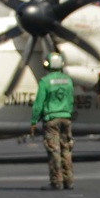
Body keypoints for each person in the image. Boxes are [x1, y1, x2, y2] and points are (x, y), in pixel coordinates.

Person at [31, 51, 74, 190]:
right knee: (66, 149)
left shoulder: (45, 81)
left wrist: (33, 121)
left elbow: (38, 104)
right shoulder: (68, 81)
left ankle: (57, 182)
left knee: (54, 150)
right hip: (66, 118)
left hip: (51, 120)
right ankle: (68, 181)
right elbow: (71, 100)